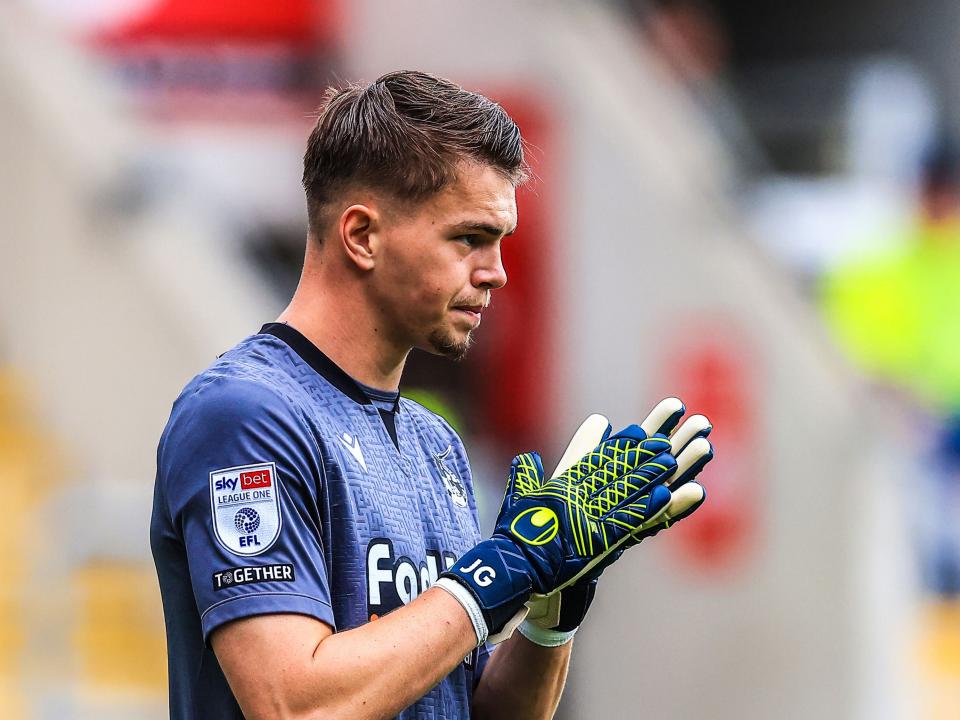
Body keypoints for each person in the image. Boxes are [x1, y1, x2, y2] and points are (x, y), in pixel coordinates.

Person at [151, 70, 710, 720]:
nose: (496, 273)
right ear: (362, 236)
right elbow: (292, 705)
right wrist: (503, 569)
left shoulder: (435, 443)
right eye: (469, 238)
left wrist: (550, 608)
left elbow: (477, 710)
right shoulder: (247, 417)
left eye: (501, 243)